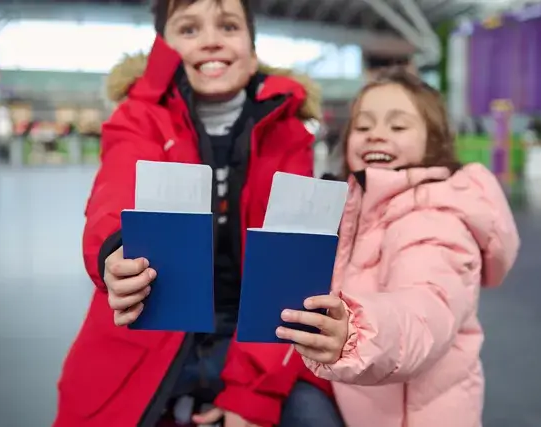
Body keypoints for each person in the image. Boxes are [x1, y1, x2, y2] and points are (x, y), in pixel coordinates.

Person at [54, 1, 345, 426]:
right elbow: (115, 190)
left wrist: (251, 395)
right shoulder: (138, 117)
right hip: (148, 336)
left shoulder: (288, 130)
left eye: (228, 26)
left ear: (252, 48)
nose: (211, 40)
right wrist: (116, 250)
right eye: (188, 30)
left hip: (256, 342)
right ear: (163, 49)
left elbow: (285, 274)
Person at [275, 68, 520, 427]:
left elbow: (425, 311)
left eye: (398, 126)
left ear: (433, 141)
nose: (376, 134)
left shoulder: (434, 217)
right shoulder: (361, 208)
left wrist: (355, 333)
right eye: (363, 126)